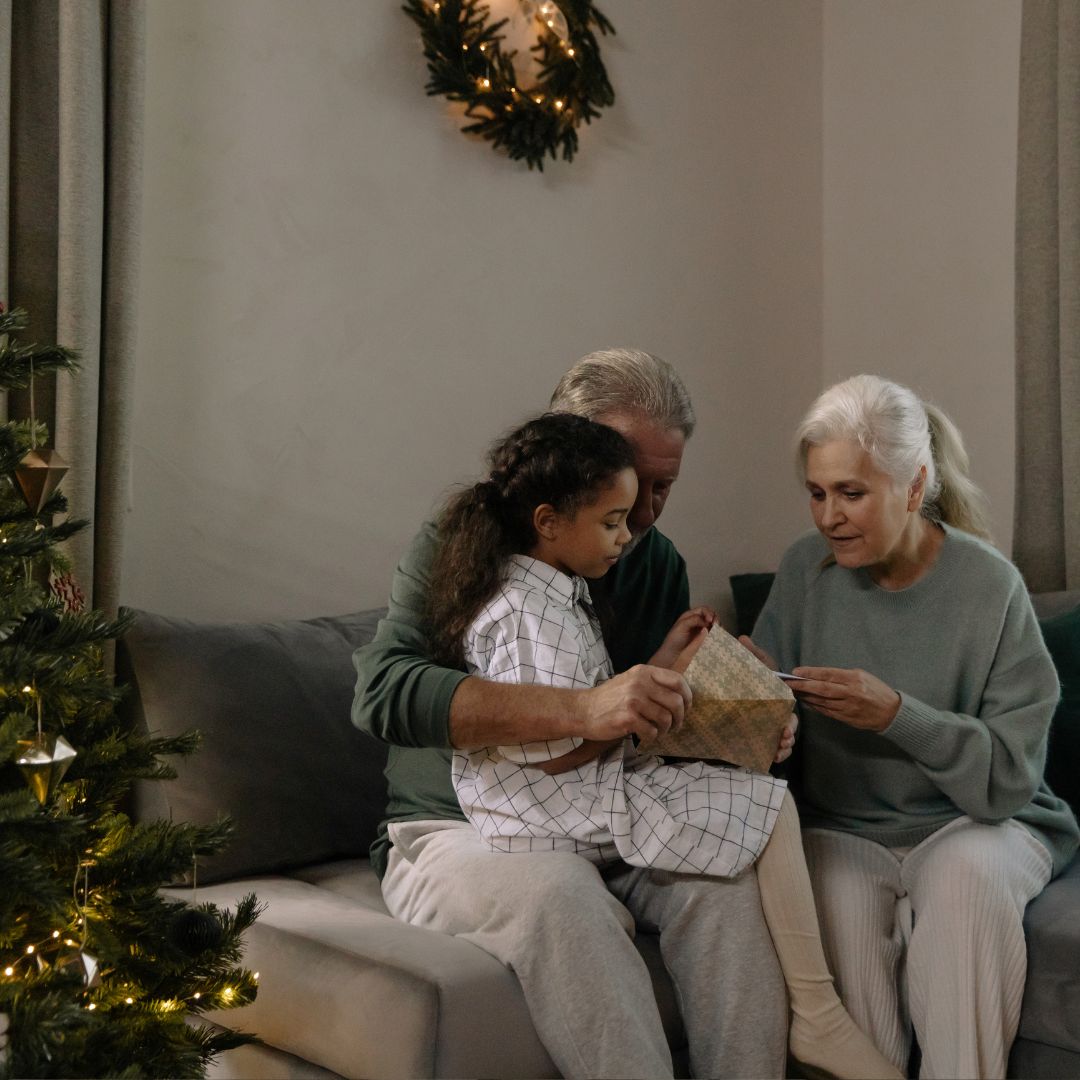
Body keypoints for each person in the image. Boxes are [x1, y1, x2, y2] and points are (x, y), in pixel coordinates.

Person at [353, 349, 789, 1079]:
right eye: (630, 487)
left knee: (727, 885)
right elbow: (385, 692)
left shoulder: (652, 562)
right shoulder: (460, 542)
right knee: (560, 895)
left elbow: (656, 730)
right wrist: (585, 708)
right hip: (462, 830)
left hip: (604, 815)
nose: (645, 513)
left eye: (664, 487)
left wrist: (745, 715)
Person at [429, 410, 902, 1080]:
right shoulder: (528, 615)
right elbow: (552, 750)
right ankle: (818, 1012)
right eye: (612, 521)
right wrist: (647, 717)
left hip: (565, 792)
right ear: (548, 521)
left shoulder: (550, 594)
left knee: (750, 818)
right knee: (765, 804)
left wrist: (664, 663)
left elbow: (588, 704)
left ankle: (811, 1017)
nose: (628, 536)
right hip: (549, 808)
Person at [745, 374, 1080, 1080]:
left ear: (914, 482)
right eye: (817, 492)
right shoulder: (804, 570)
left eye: (852, 493)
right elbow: (772, 731)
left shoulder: (990, 586)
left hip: (978, 823)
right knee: (836, 922)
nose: (829, 516)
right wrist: (743, 684)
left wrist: (899, 715)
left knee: (965, 882)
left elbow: (1009, 778)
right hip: (842, 828)